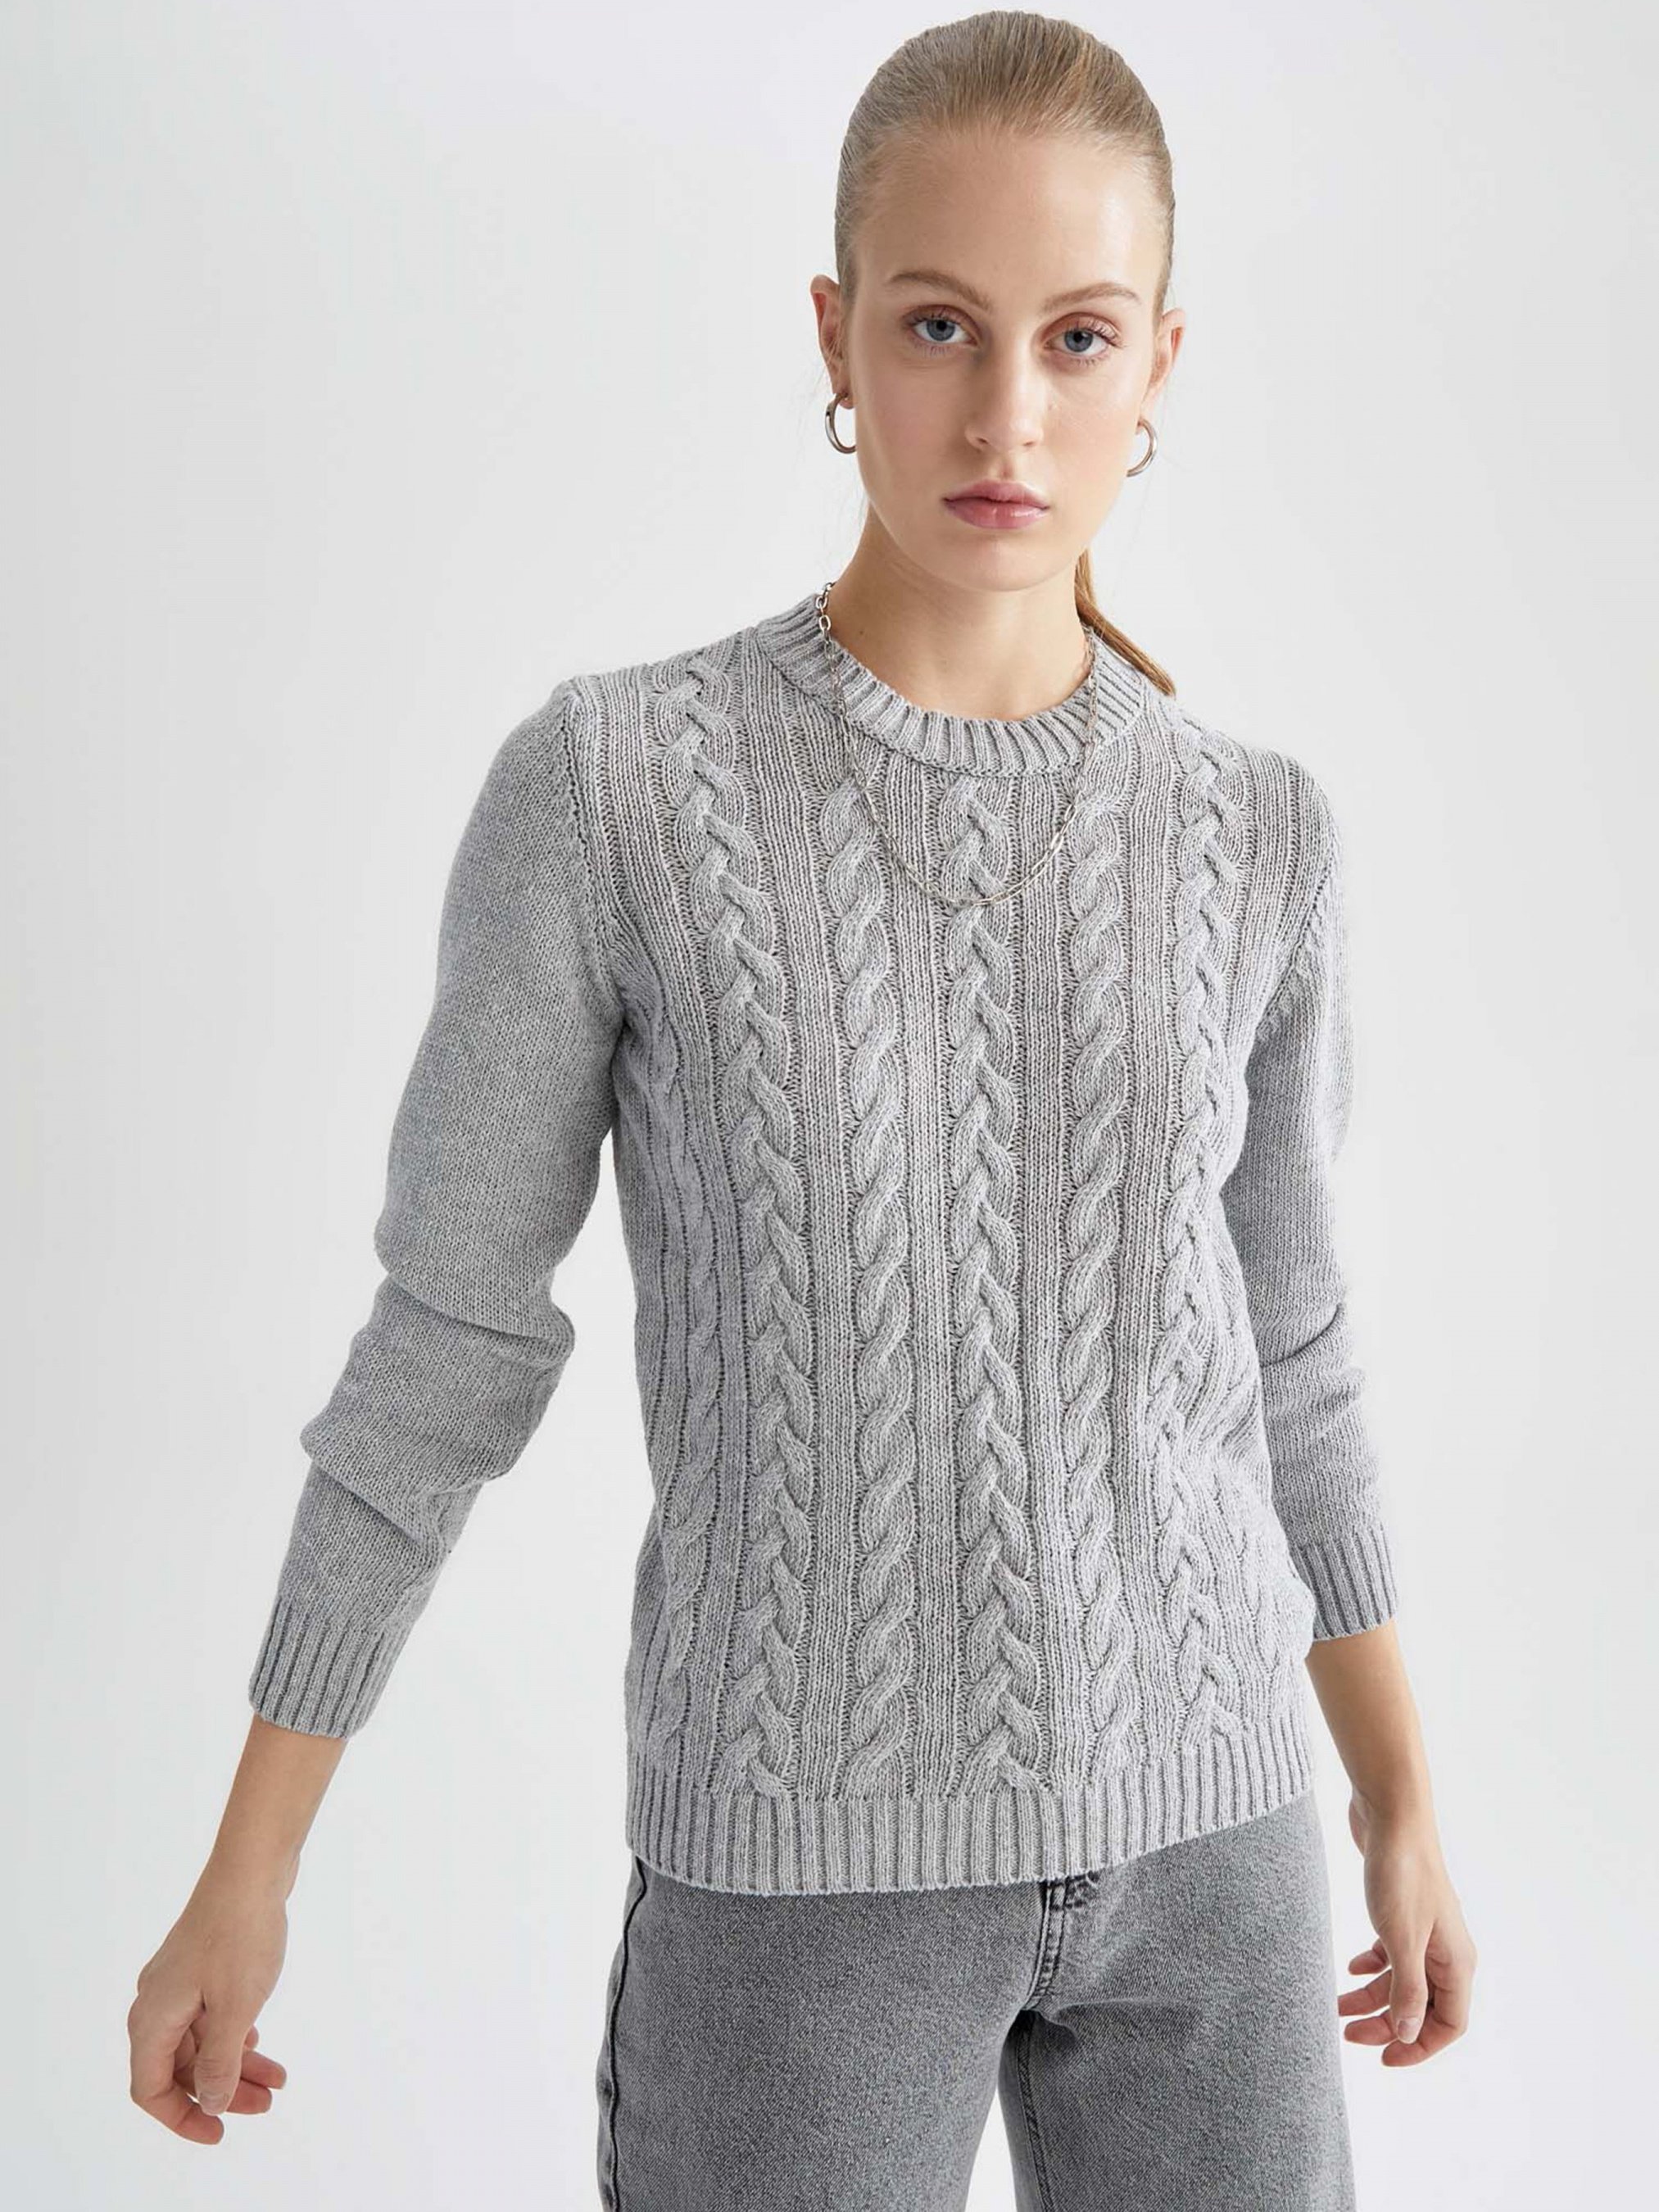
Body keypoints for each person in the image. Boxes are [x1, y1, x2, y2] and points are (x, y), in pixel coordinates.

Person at [127, 10, 1476, 2204]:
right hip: (794, 1881)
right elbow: (448, 1343)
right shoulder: (615, 794)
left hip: (1216, 1851)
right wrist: (247, 1868)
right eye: (939, 326)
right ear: (835, 333)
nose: (1006, 412)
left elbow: (1291, 1353)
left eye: (1077, 336)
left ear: (1159, 367)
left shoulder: (1258, 835)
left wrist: (1396, 1798)